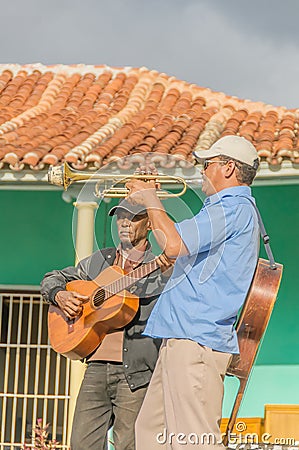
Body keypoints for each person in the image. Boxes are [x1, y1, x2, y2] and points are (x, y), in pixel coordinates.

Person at [126, 135, 261, 449]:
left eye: (207, 164)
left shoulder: (233, 207)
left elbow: (175, 244)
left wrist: (150, 199)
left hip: (196, 340)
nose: (202, 170)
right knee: (151, 434)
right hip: (184, 337)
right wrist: (151, 208)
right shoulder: (223, 209)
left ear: (228, 168)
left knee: (194, 440)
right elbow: (180, 259)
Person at [41, 199, 172, 450]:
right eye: (120, 216)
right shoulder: (101, 260)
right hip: (96, 368)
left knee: (128, 445)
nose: (124, 222)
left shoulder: (158, 267)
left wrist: (168, 274)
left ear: (149, 225)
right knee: (81, 444)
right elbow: (54, 277)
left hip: (136, 371)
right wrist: (60, 294)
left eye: (133, 217)